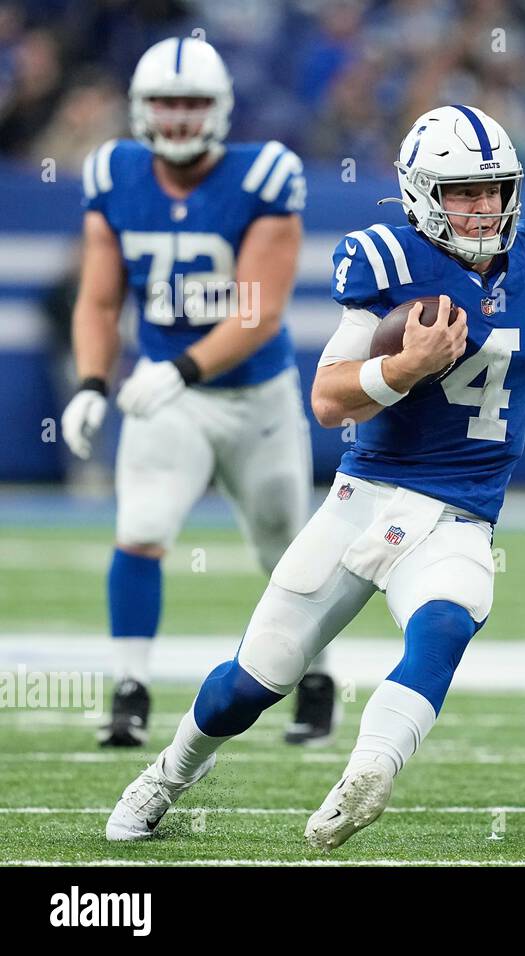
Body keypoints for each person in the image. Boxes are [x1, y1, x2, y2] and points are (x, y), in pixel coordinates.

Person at [104, 105, 525, 850]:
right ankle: (168, 773)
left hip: (461, 514)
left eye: (494, 188)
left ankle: (370, 770)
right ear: (422, 192)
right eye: (463, 191)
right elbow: (328, 399)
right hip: (366, 499)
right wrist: (403, 368)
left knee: (447, 623)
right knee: (254, 682)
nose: (484, 206)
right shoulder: (387, 261)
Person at [57, 37, 334, 748]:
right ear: (141, 109)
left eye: (192, 104)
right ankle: (128, 690)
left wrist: (178, 368)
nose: (178, 118)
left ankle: (315, 674)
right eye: (165, 104)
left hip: (253, 391)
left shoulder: (265, 175)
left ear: (219, 110)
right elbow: (97, 300)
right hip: (165, 395)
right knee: (142, 529)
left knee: (282, 547)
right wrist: (92, 381)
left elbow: (257, 311)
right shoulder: (114, 172)